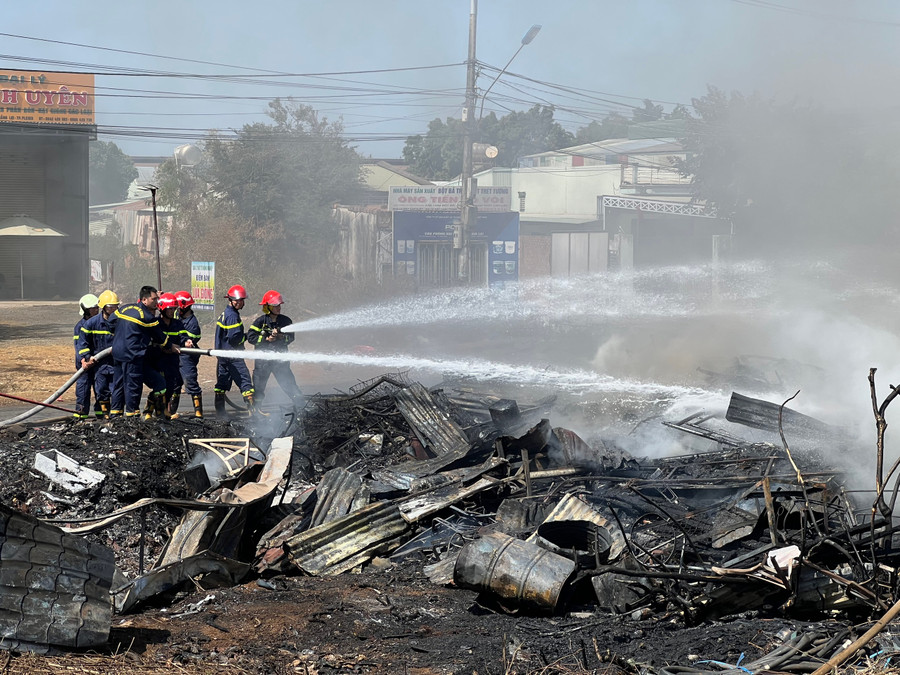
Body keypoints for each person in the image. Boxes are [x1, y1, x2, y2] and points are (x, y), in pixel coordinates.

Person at [111, 285, 174, 418]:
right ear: (144, 300)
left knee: (118, 384)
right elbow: (161, 338)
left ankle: (115, 415)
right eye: (154, 299)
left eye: (157, 299)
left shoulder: (125, 308)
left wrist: (120, 334)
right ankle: (132, 416)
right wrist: (171, 346)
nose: (157, 302)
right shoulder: (146, 317)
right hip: (132, 355)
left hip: (117, 353)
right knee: (133, 385)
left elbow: (110, 322)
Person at [248, 290, 303, 407]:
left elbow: (291, 338)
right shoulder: (259, 322)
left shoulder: (286, 321)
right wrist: (266, 339)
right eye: (275, 305)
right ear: (267, 307)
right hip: (263, 362)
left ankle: (302, 408)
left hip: (280, 360)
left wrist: (280, 337)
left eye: (279, 305)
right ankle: (256, 413)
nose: (278, 308)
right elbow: (251, 338)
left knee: (290, 386)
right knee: (258, 389)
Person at [214, 284, 256, 416]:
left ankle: (220, 413)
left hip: (223, 355)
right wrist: (246, 337)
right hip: (233, 355)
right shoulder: (232, 316)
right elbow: (234, 338)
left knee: (222, 383)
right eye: (238, 300)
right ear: (231, 300)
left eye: (242, 300)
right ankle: (253, 412)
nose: (240, 302)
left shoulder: (226, 313)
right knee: (245, 381)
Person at [76, 290, 119, 418]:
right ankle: (104, 416)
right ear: (104, 307)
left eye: (116, 307)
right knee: (101, 390)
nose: (114, 310)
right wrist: (87, 358)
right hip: (98, 364)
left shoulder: (120, 322)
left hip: (115, 362)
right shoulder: (91, 324)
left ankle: (115, 416)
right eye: (111, 307)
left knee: (116, 390)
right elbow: (82, 343)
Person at [148, 292, 185, 419]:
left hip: (173, 361)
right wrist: (163, 348)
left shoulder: (178, 324)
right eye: (169, 308)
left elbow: (183, 337)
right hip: (159, 360)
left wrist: (188, 341)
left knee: (171, 386)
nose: (172, 311)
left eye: (174, 308)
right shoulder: (156, 323)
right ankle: (149, 411)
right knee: (160, 387)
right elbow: (153, 340)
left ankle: (162, 412)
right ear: (162, 308)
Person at [173, 290, 203, 418]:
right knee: (174, 384)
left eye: (178, 307)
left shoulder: (192, 323)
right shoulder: (177, 316)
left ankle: (198, 413)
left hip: (186, 357)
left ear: (185, 306)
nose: (176, 310)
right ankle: (172, 412)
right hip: (175, 355)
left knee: (190, 382)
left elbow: (192, 338)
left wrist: (186, 341)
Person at [73, 294, 100, 419]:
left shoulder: (100, 323)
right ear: (85, 310)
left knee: (101, 387)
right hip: (84, 362)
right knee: (83, 387)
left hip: (98, 360)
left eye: (97, 307)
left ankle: (101, 413)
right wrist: (84, 360)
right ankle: (81, 414)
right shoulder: (80, 326)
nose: (96, 309)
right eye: (93, 308)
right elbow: (79, 346)